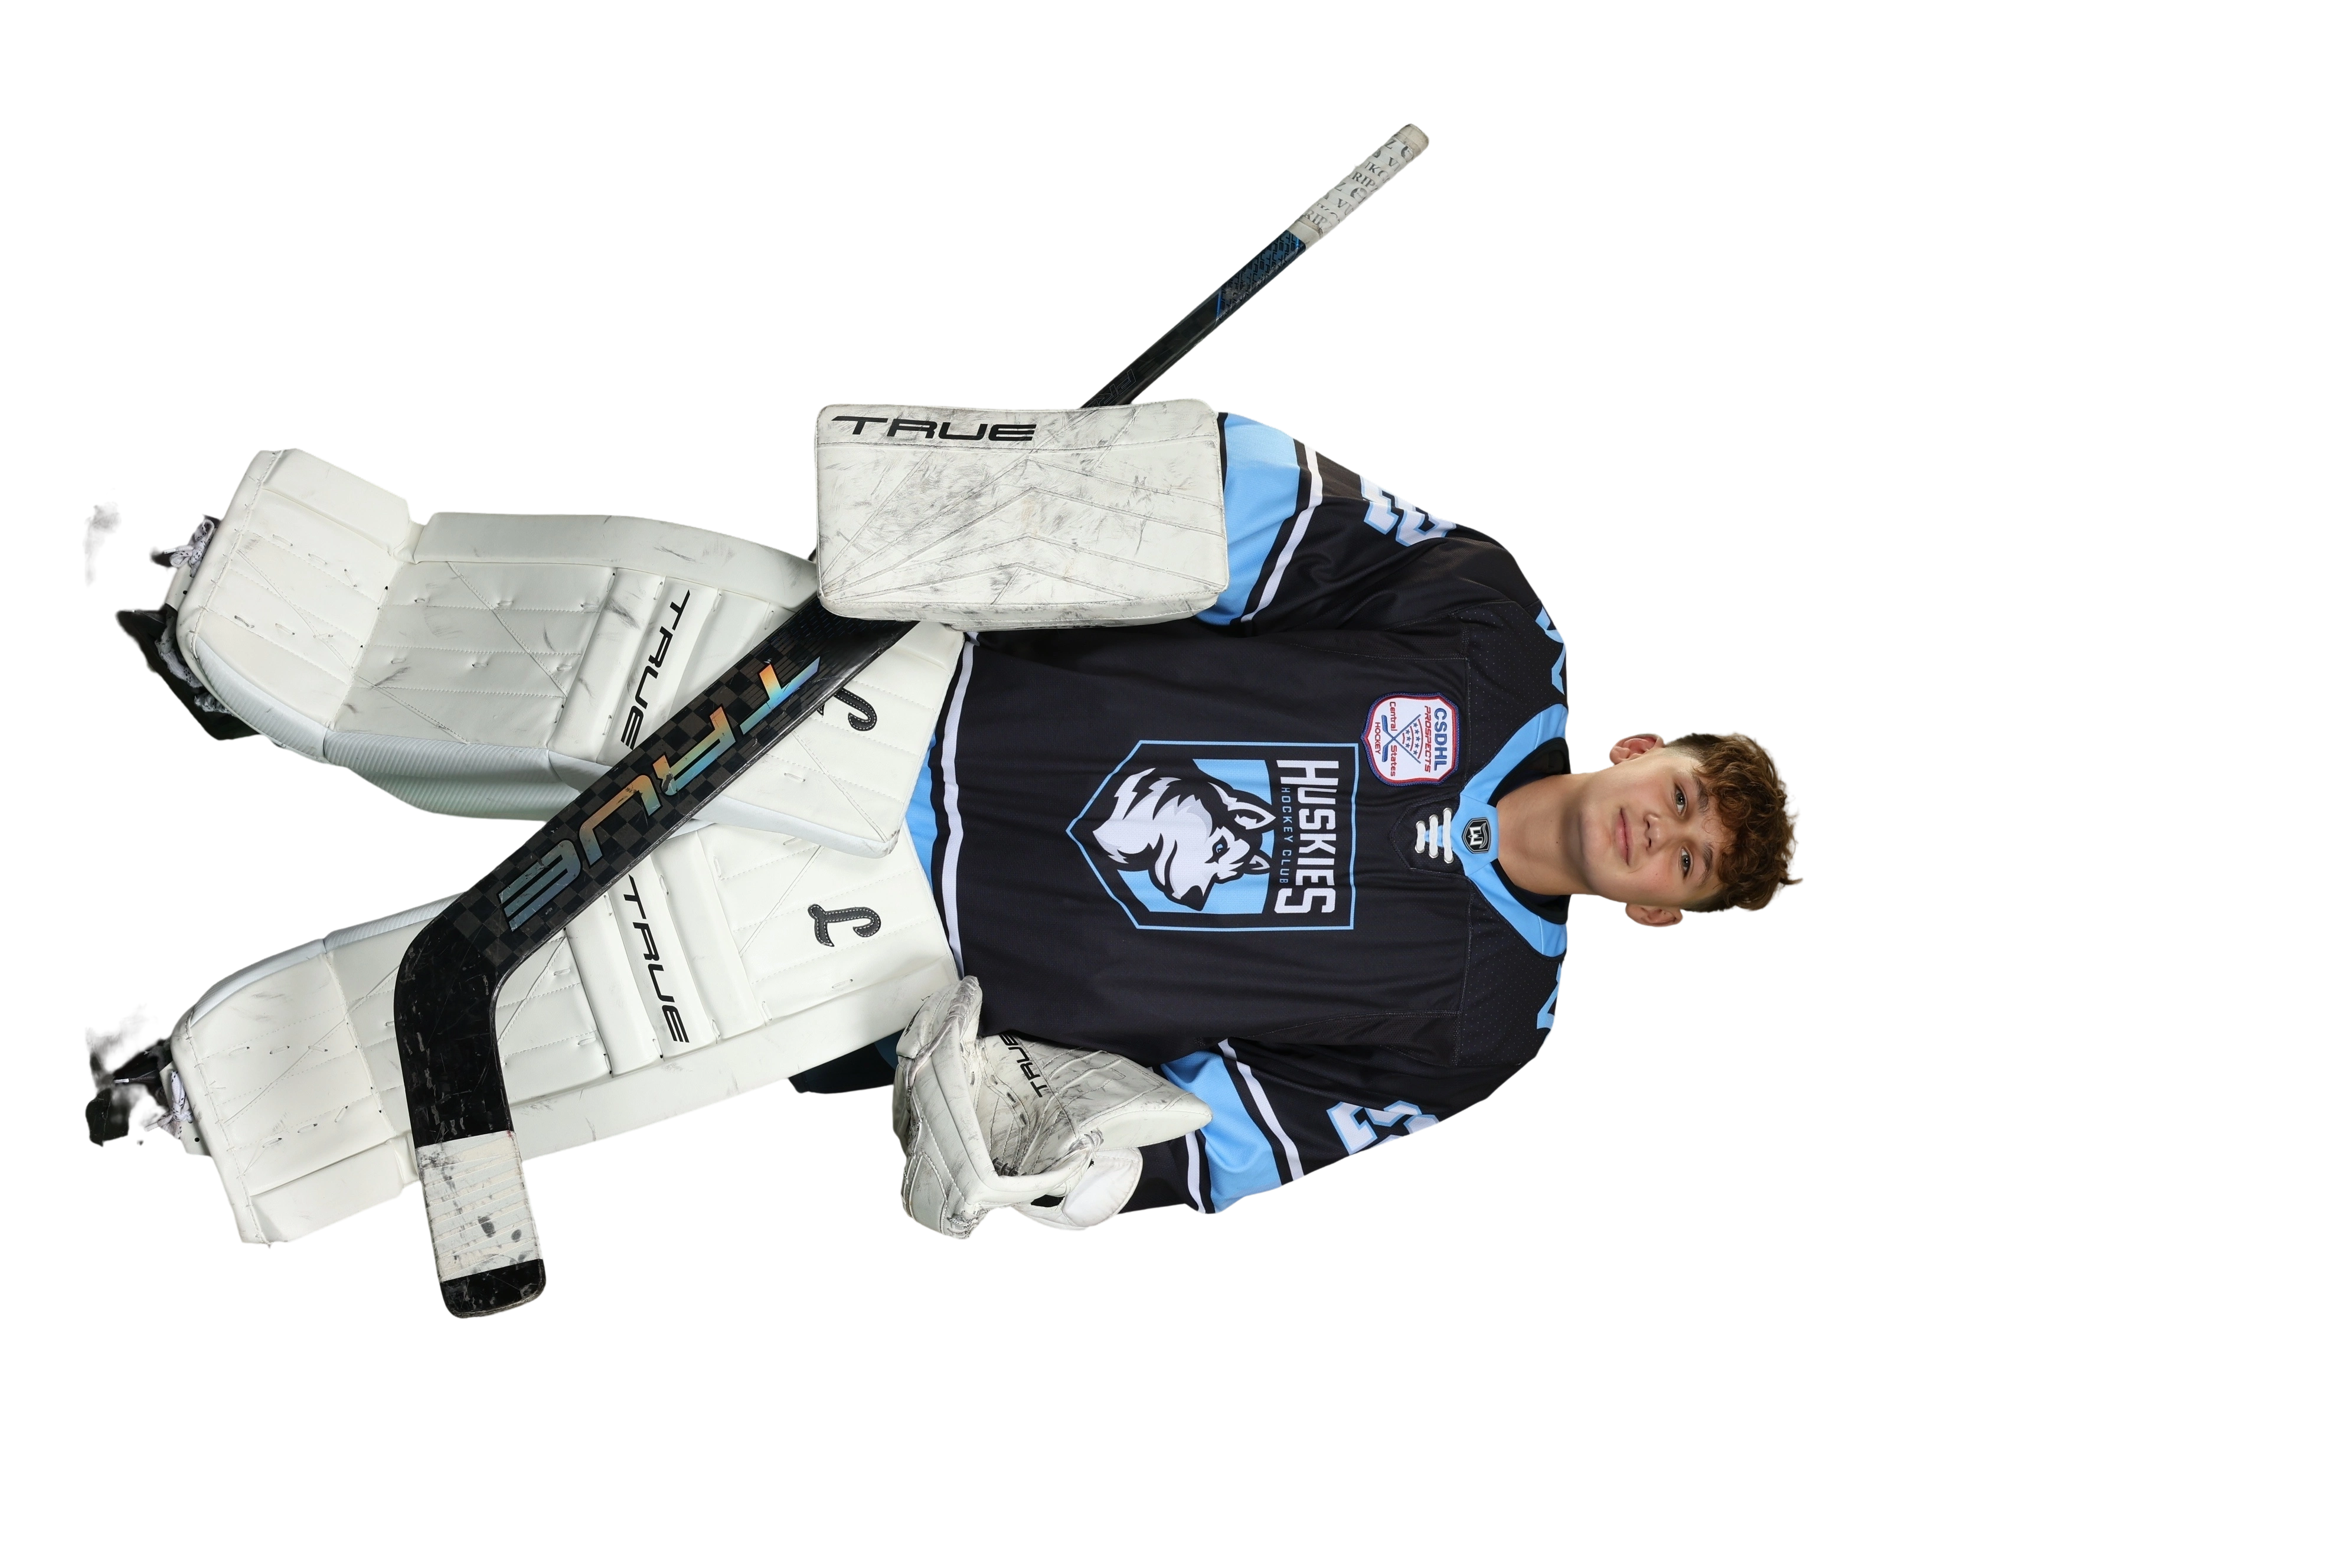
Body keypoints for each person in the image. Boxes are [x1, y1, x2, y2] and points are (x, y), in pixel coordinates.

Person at [92, 403, 1803, 1255]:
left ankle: (183, 1095)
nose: (1663, 832)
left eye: (1691, 862)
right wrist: (1039, 492)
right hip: (914, 689)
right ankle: (211, 592)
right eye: (1684, 795)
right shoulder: (1488, 624)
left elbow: (1239, 1139)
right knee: (491, 638)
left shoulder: (1484, 1025)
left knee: (532, 1028)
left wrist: (1075, 1160)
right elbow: (1262, 511)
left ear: (1662, 913)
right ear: (1646, 746)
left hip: (903, 952)